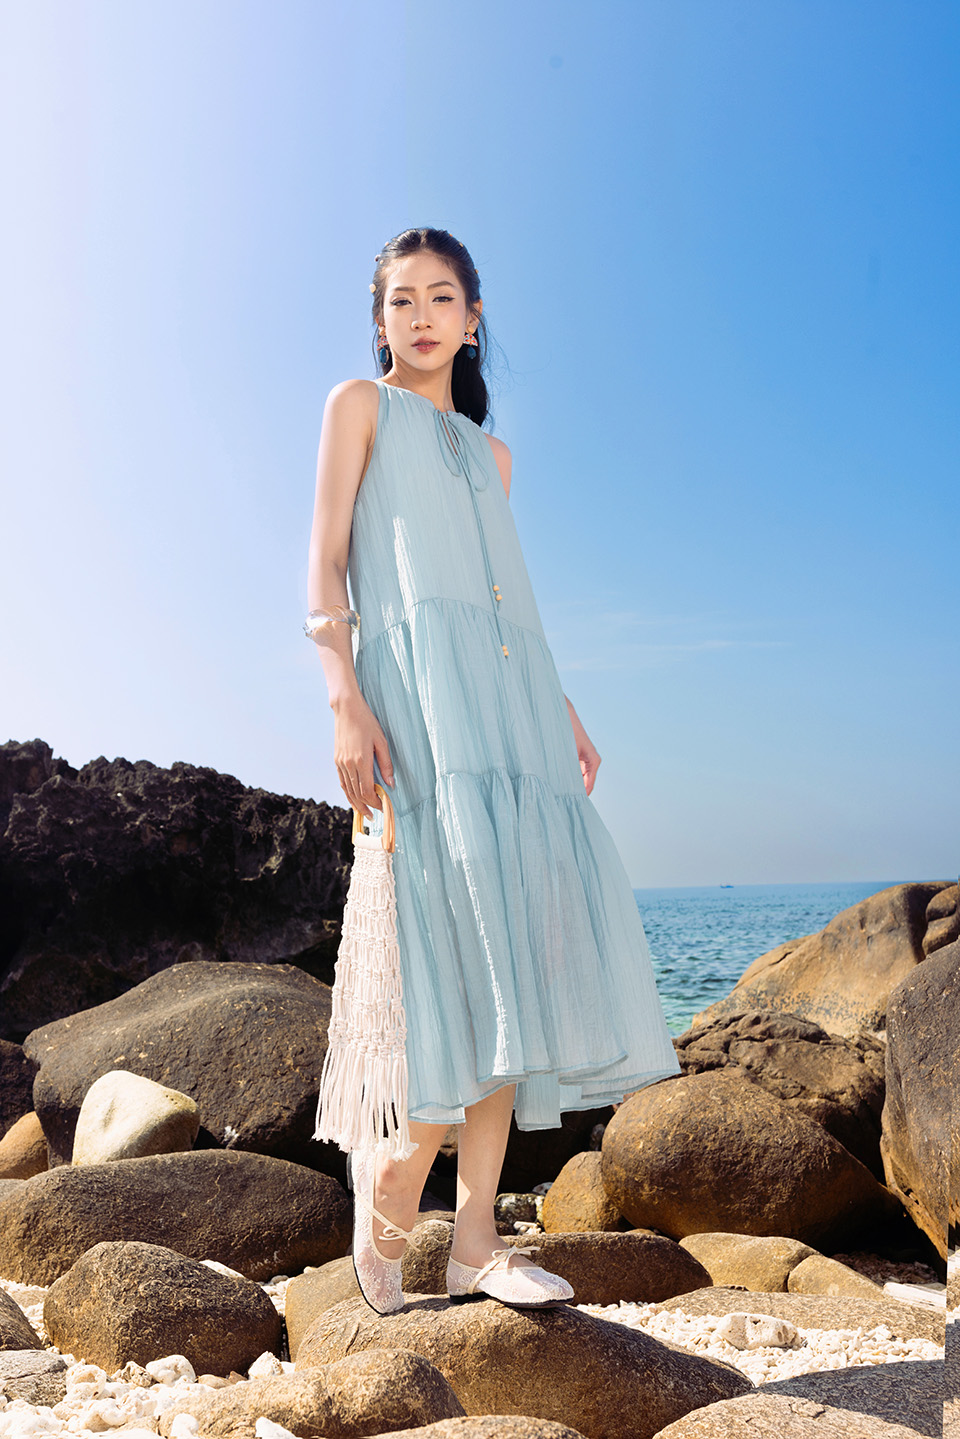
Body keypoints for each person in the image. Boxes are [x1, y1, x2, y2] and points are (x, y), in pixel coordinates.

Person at [305, 227, 681, 1315]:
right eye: (402, 299)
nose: (422, 316)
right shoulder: (359, 407)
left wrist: (561, 707)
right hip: (416, 702)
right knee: (447, 941)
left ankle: (476, 1240)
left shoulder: (495, 456)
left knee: (517, 941)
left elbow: (502, 600)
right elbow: (324, 561)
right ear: (380, 318)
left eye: (443, 298)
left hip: (515, 711)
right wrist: (344, 698)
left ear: (474, 320)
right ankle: (394, 1180)